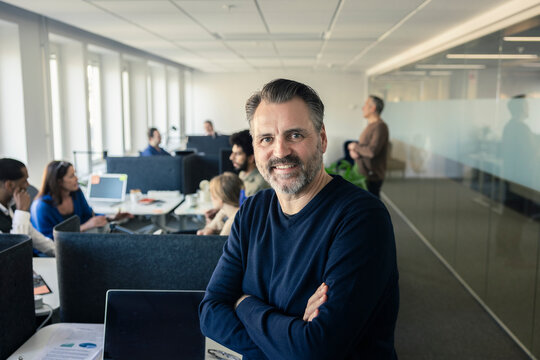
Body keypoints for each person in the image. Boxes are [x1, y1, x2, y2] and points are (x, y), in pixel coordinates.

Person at [199, 79, 399, 359]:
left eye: (295, 135)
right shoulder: (251, 212)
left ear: (322, 139)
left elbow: (314, 350)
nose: (280, 151)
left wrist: (244, 303)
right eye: (266, 138)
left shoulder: (361, 218)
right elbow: (210, 314)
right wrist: (288, 336)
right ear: (255, 147)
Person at [31, 161, 132, 239]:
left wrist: (110, 218)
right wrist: (84, 227)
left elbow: (88, 216)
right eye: (71, 176)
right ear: (59, 182)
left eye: (75, 174)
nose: (76, 178)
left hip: (75, 241)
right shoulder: (42, 206)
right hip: (52, 251)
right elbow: (48, 240)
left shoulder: (76, 193)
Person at [0, 158, 55, 256]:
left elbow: (39, 240)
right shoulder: (18, 210)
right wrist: (21, 212)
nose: (28, 185)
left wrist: (66, 253)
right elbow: (14, 254)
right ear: (9, 185)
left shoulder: (10, 207)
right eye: (25, 180)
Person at [348, 95, 389, 198]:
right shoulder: (371, 125)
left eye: (365, 105)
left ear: (373, 108)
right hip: (363, 173)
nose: (363, 108)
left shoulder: (380, 126)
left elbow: (371, 152)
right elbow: (365, 148)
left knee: (372, 207)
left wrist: (354, 146)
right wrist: (355, 152)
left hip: (372, 176)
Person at [197, 172, 243, 236]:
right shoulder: (233, 211)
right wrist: (210, 227)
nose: (211, 198)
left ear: (220, 198)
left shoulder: (230, 224)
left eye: (212, 194)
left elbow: (220, 245)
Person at [229, 129, 270, 197]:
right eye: (233, 153)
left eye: (238, 154)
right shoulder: (242, 174)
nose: (231, 157)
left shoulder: (258, 185)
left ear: (251, 158)